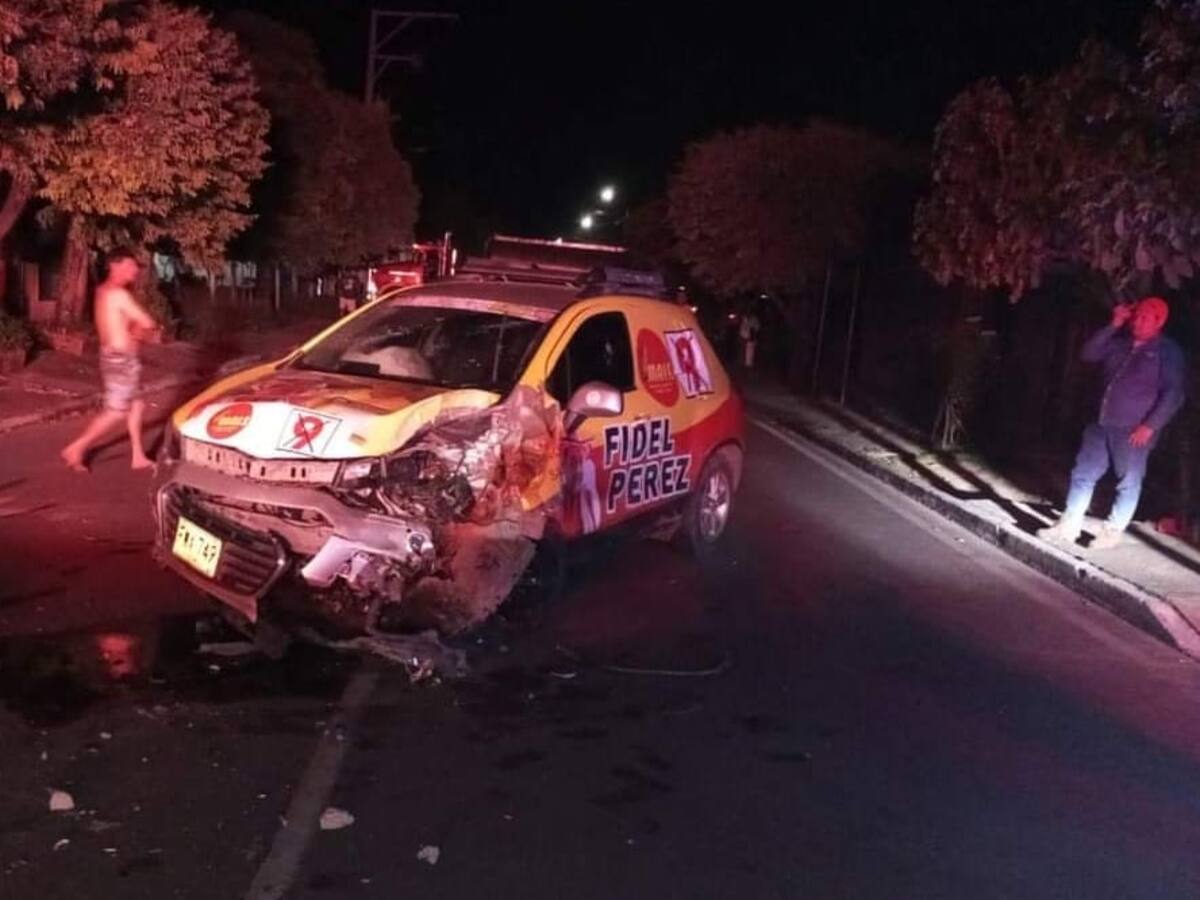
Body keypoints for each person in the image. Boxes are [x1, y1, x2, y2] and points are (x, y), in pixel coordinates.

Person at [1039, 296, 1186, 550]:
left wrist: (1150, 426)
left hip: (1134, 430)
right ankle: (1069, 524)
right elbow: (1088, 354)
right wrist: (1114, 324)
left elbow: (1174, 393)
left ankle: (1112, 530)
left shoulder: (1166, 351)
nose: (1137, 322)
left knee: (1128, 480)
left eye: (1144, 317)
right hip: (1101, 421)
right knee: (1083, 472)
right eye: (1136, 315)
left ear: (1159, 321)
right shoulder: (1121, 343)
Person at [60, 247, 160, 472]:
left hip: (113, 356)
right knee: (117, 411)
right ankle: (76, 447)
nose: (135, 270)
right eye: (130, 265)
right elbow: (148, 323)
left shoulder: (103, 290)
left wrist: (131, 333)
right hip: (121, 360)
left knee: (137, 404)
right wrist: (136, 335)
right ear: (115, 265)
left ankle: (138, 456)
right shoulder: (119, 294)